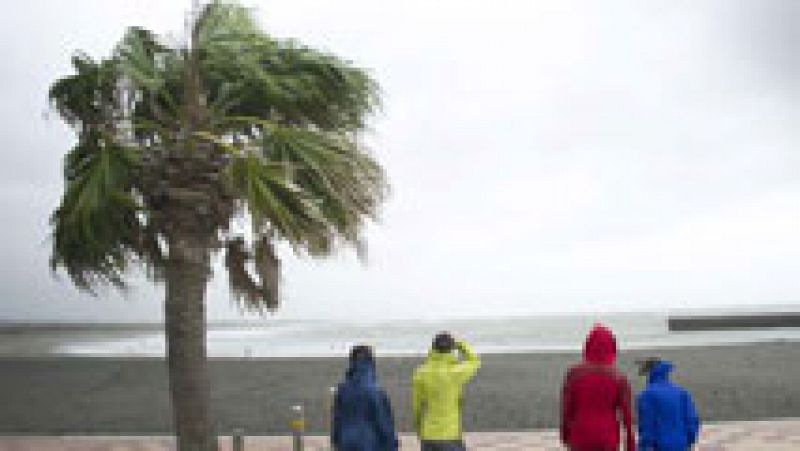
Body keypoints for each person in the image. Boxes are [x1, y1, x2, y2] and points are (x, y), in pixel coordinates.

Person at [561, 324, 635, 451]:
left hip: (580, 434)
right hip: (607, 435)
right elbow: (627, 416)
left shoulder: (574, 374)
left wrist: (565, 434)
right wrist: (630, 444)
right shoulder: (618, 377)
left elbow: (567, 408)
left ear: (588, 346)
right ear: (612, 347)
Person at [412, 332, 481, 451]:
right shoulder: (456, 372)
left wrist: (419, 430)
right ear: (451, 348)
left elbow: (417, 407)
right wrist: (460, 345)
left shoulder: (421, 373)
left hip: (428, 433)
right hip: (450, 433)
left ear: (433, 348)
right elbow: (474, 361)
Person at [332, 345, 398, 451]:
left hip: (346, 442)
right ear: (371, 363)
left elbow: (337, 420)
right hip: (369, 443)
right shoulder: (376, 391)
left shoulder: (343, 389)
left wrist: (336, 441)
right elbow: (383, 423)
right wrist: (392, 445)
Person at [637, 359, 700, 451]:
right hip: (681, 442)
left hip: (658, 445)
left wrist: (645, 445)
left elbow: (647, 423)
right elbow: (692, 419)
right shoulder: (681, 392)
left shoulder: (647, 395)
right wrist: (690, 439)